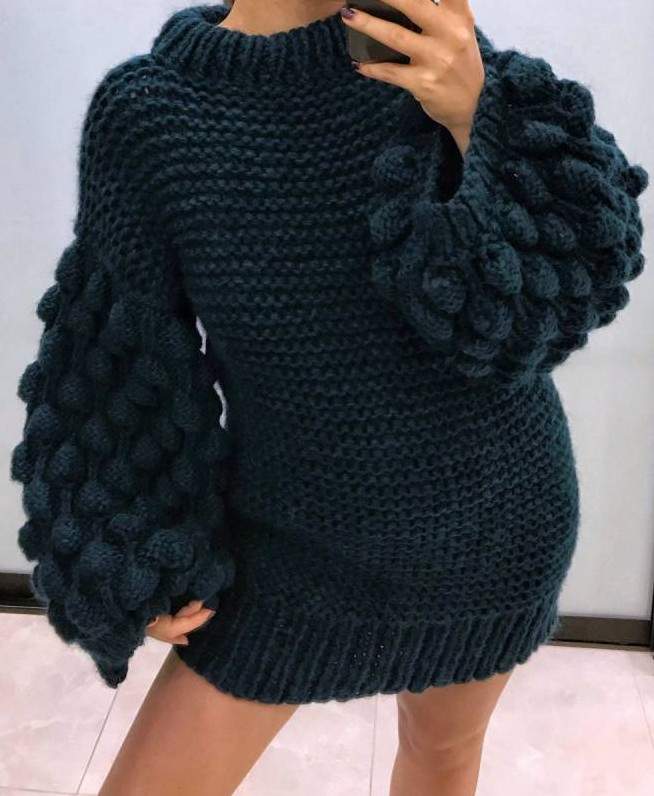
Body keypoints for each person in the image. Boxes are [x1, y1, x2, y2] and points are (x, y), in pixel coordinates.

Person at [10, 2, 648, 795]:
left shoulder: (429, 55)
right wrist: (133, 542)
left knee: (441, 755)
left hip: (493, 528)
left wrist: (480, 116)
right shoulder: (150, 114)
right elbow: (118, 351)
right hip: (290, 553)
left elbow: (552, 301)